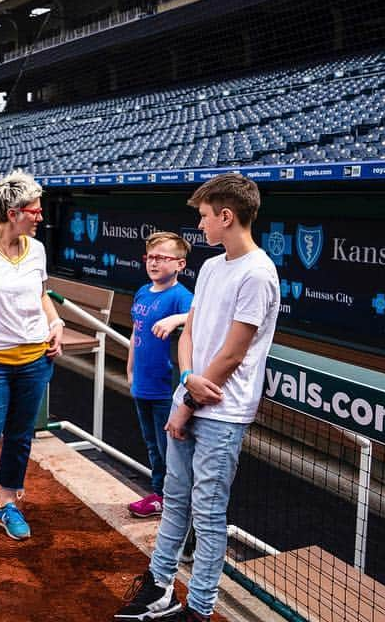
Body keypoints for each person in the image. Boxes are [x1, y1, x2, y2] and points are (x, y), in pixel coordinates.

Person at [114, 173, 280, 622]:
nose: (201, 225)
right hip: (189, 396)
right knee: (174, 500)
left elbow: (233, 352)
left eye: (205, 217)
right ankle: (159, 588)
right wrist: (186, 379)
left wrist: (188, 400)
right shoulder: (211, 267)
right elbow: (190, 332)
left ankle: (200, 609)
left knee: (207, 516)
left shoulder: (260, 274)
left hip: (222, 412)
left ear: (227, 216)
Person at [0, 170, 63, 541]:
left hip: (36, 360)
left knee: (20, 437)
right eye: (34, 211)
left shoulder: (36, 249)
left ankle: (6, 505)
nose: (40, 217)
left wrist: (56, 323)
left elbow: (40, 295)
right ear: (12, 212)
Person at [126, 232, 192, 519]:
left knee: (170, 450)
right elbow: (135, 332)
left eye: (162, 258)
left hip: (166, 389)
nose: (153, 263)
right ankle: (159, 495)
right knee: (152, 445)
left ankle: (177, 503)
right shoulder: (142, 291)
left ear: (180, 264)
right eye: (150, 257)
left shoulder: (181, 296)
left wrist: (178, 318)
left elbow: (199, 315)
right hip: (142, 383)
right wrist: (129, 368)